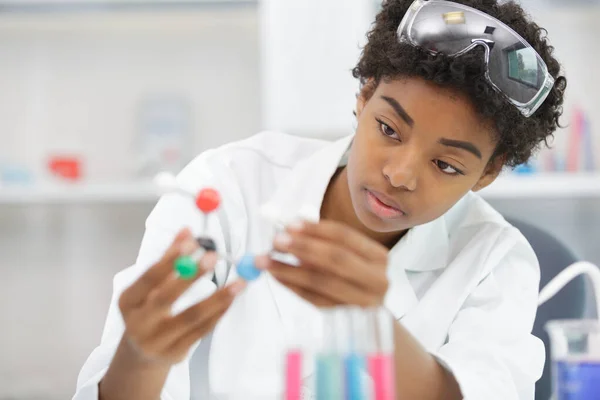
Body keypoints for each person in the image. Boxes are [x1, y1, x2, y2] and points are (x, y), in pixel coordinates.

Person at [74, 0, 567, 399]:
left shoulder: (494, 262)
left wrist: (372, 323)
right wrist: (141, 357)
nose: (399, 174)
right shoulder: (229, 186)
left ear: (489, 173)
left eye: (446, 165)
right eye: (389, 129)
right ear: (364, 96)